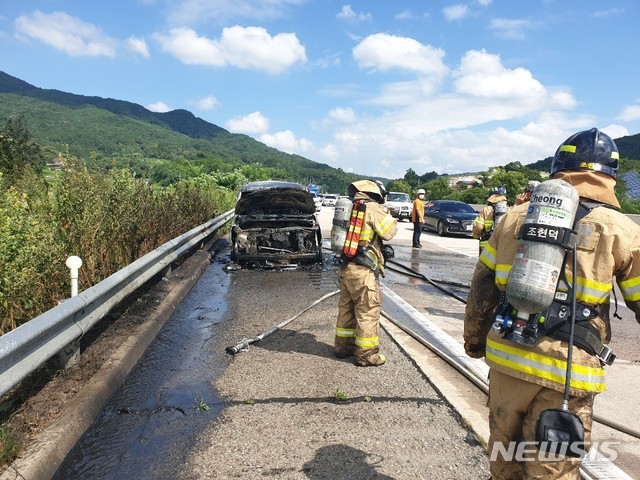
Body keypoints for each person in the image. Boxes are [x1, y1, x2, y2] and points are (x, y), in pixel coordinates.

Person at [463, 128, 640, 479]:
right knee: (553, 472)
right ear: (610, 176)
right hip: (568, 372)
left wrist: (474, 343)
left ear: (559, 165)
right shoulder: (622, 230)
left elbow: (483, 287)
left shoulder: (513, 217)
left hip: (507, 358)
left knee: (504, 463)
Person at [334, 179, 398, 367]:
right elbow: (389, 232)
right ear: (375, 194)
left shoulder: (349, 205)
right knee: (368, 311)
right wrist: (390, 216)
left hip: (345, 267)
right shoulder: (373, 208)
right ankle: (367, 355)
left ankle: (343, 348)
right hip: (363, 270)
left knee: (346, 308)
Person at [472, 186, 507, 255]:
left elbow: (478, 227)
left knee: (485, 265)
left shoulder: (486, 210)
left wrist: (476, 236)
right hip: (503, 246)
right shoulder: (510, 210)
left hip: (487, 246)